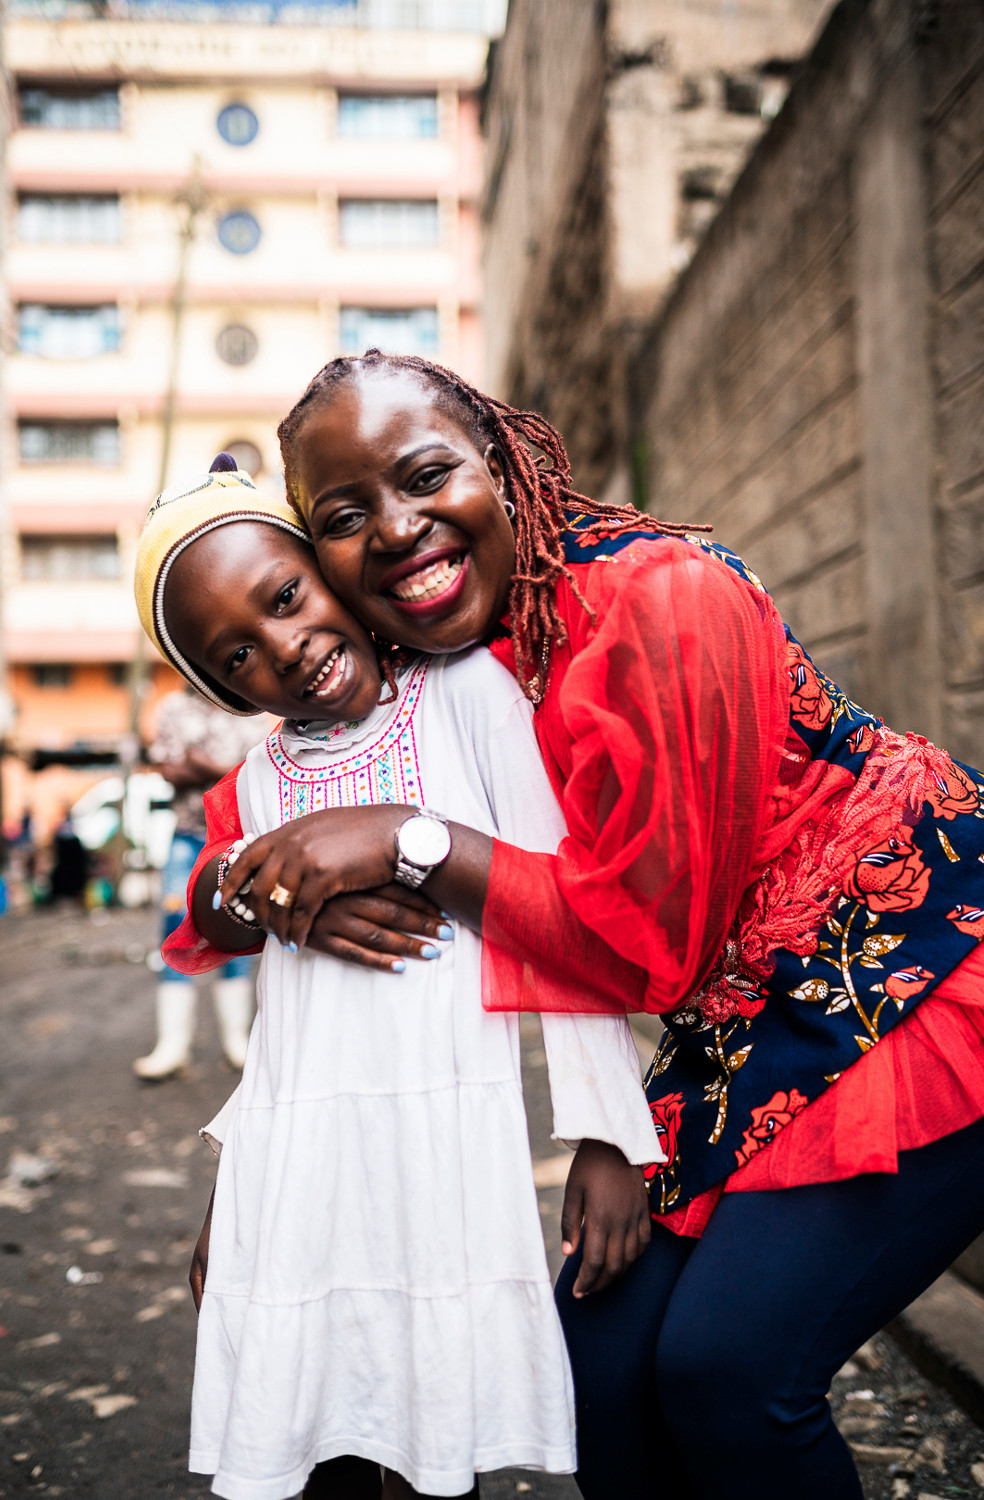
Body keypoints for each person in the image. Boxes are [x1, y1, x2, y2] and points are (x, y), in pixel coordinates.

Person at [210, 350, 984, 1500]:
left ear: (502, 458)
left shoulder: (654, 599)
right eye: (343, 515)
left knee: (729, 1374)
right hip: (745, 1023)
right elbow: (254, 844)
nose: (398, 529)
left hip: (919, 964)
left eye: (426, 476)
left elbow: (642, 945)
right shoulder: (447, 652)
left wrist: (410, 840)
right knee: (603, 1373)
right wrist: (242, 892)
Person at [132, 459, 660, 1499]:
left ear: (330, 573)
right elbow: (288, 1019)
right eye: (237, 654)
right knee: (312, 1438)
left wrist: (607, 1133)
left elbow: (559, 917)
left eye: (286, 598)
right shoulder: (257, 782)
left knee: (433, 1438)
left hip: (438, 1153)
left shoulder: (466, 699)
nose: (284, 648)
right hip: (297, 1161)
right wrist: (235, 1183)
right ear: (220, 689)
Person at [134, 683, 267, 1079]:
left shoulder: (251, 704)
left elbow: (255, 773)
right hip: (188, 836)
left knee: (237, 929)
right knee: (175, 930)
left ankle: (237, 1043)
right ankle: (171, 1047)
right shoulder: (174, 706)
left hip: (237, 842)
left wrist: (202, 765)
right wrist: (224, 769)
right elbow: (170, 772)